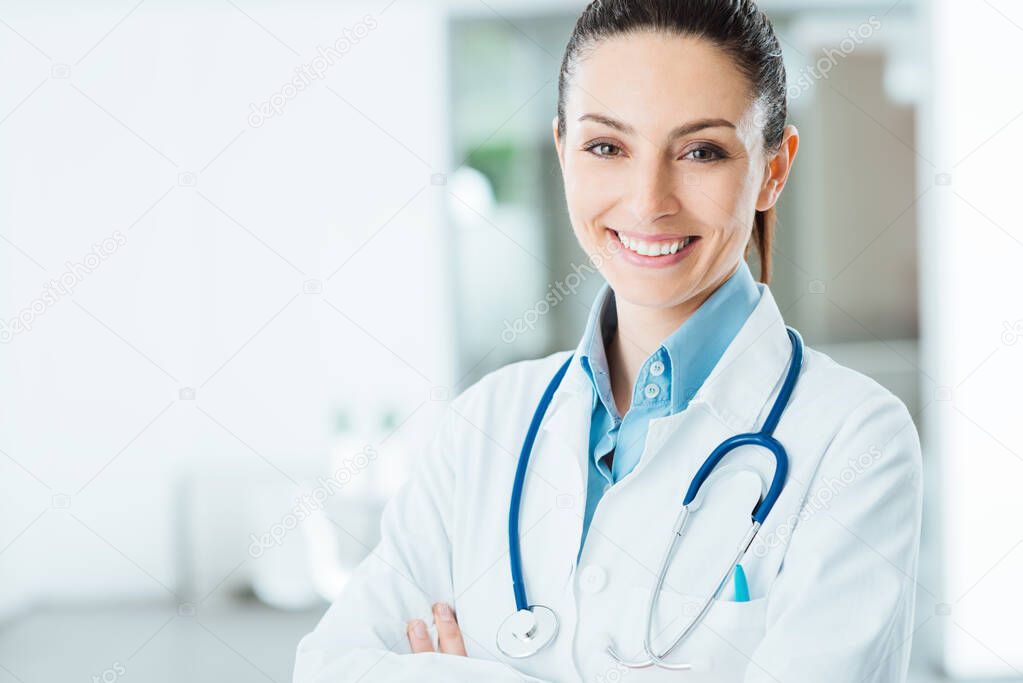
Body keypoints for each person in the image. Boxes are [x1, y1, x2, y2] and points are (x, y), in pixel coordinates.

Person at [293, 1, 923, 680]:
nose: (648, 199)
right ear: (562, 149)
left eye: (699, 151)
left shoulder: (856, 441)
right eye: (606, 147)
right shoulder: (485, 423)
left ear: (773, 167)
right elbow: (330, 666)